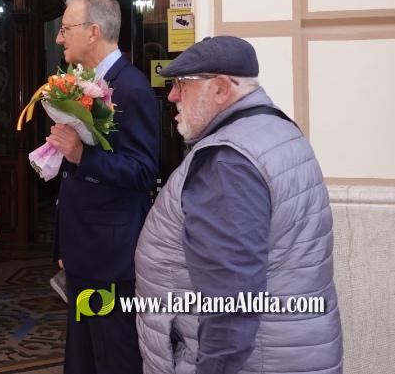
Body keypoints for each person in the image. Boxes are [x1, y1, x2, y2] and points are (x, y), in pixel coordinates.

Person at [137, 36, 342, 373]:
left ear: (220, 89)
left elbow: (231, 302)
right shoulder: (276, 130)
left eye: (182, 84)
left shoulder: (227, 162)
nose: (172, 96)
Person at [45, 0, 159, 374]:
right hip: (85, 249)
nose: (59, 38)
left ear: (93, 31)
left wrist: (83, 156)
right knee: (84, 357)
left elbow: (143, 171)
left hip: (112, 257)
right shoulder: (85, 83)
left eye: (65, 29)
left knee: (113, 356)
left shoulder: (132, 88)